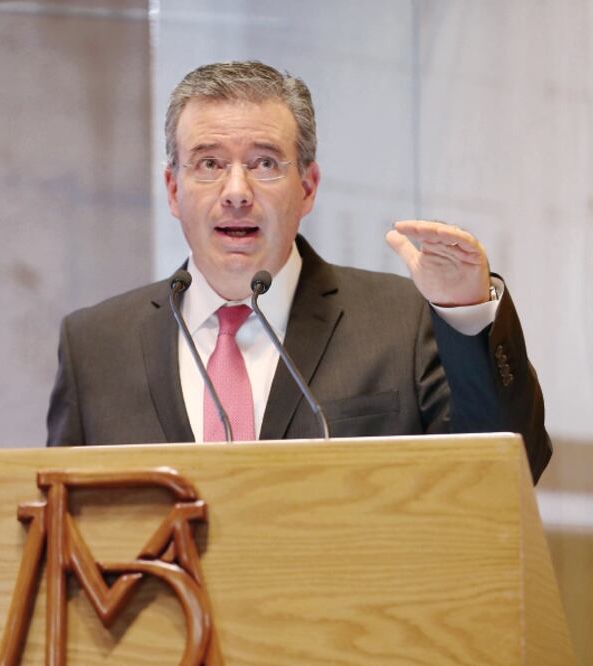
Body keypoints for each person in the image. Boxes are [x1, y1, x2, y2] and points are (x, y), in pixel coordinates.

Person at [47, 61, 551, 483]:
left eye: (265, 163)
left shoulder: (401, 323)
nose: (237, 190)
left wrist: (465, 315)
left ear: (308, 187)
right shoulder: (95, 346)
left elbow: (511, 470)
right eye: (208, 163)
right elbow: (60, 530)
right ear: (174, 190)